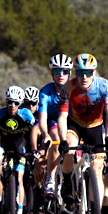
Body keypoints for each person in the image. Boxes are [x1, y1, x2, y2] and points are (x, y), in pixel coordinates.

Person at [56, 52, 108, 211]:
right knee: (69, 148)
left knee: (97, 168)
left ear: (94, 73)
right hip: (75, 124)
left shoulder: (103, 85)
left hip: (96, 126)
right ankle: (67, 181)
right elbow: (62, 116)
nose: (84, 77)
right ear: (75, 73)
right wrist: (62, 139)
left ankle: (95, 210)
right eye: (80, 73)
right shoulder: (68, 88)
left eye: (88, 73)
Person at [0, 86, 36, 214]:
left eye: (16, 103)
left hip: (19, 146)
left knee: (20, 178)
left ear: (20, 103)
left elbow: (36, 129)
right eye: (10, 102)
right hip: (3, 145)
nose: (12, 106)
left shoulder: (26, 114)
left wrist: (37, 146)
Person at [37, 54, 73, 196]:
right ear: (52, 74)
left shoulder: (75, 89)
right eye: (57, 72)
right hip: (52, 121)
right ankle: (50, 178)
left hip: (72, 121)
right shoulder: (46, 91)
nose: (61, 75)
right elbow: (42, 117)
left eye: (64, 71)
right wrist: (45, 135)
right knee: (56, 138)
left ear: (69, 73)